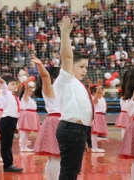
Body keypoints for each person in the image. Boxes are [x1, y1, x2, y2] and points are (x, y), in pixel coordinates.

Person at [54, 16, 93, 179]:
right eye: (81, 66)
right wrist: (65, 33)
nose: (84, 70)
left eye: (86, 67)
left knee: (73, 170)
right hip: (71, 129)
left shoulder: (78, 84)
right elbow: (67, 57)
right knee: (69, 171)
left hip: (79, 130)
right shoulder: (66, 79)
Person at [32, 55, 61, 180]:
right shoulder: (50, 88)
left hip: (54, 120)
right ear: (54, 79)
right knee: (56, 156)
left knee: (53, 157)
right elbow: (45, 76)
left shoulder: (58, 90)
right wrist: (40, 65)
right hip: (56, 121)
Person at [0, 75, 23, 172]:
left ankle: (9, 163)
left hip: (12, 120)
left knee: (8, 144)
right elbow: (4, 88)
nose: (14, 85)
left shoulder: (12, 94)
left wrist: (16, 125)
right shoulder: (5, 93)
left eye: (15, 83)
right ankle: (8, 165)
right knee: (6, 144)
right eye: (12, 84)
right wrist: (2, 82)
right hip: (7, 120)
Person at [18, 78, 40, 152]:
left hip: (31, 114)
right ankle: (23, 147)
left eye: (31, 91)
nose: (30, 92)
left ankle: (24, 146)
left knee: (27, 131)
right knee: (26, 131)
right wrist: (27, 82)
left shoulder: (30, 99)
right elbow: (26, 89)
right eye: (29, 91)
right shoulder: (25, 97)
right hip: (28, 114)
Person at [90, 82, 108, 153]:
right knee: (94, 132)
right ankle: (94, 148)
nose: (101, 93)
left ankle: (95, 145)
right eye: (99, 93)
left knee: (96, 132)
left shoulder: (102, 98)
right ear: (94, 93)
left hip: (101, 116)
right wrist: (97, 92)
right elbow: (96, 97)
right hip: (97, 116)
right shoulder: (95, 99)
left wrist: (100, 87)